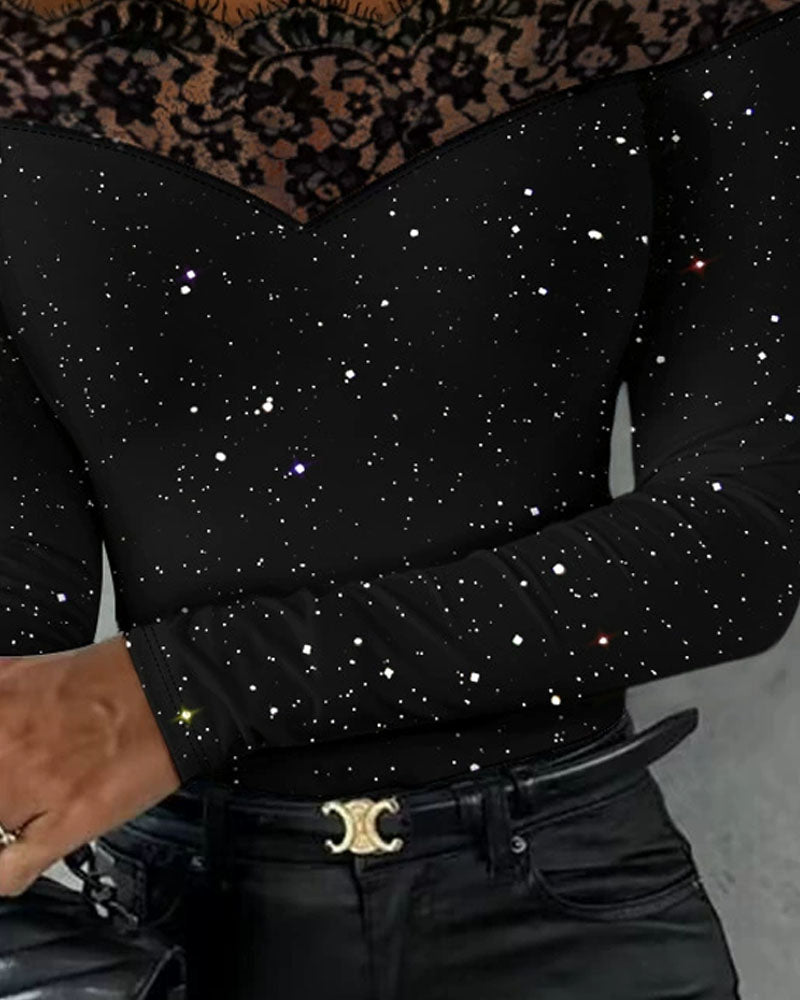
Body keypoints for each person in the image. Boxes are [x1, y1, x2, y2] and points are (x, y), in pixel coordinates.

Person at [0, 0, 798, 996]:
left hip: (568, 905)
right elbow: (15, 641)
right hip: (168, 933)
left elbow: (738, 546)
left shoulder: (686, 19)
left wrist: (186, 689)